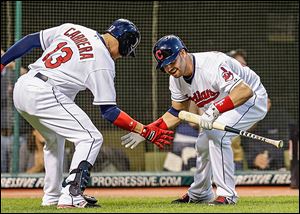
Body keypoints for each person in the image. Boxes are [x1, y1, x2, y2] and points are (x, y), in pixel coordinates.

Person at [1, 19, 173, 208]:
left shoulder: (74, 29)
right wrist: (144, 130)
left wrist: (2, 63)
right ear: (124, 42)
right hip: (44, 94)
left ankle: (52, 196)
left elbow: (30, 40)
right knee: (91, 138)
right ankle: (72, 193)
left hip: (23, 87)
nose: (123, 56)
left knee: (54, 140)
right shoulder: (103, 61)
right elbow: (109, 112)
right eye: (126, 51)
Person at [122, 35, 268, 205]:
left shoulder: (211, 65)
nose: (169, 68)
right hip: (224, 105)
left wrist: (215, 109)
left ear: (183, 53)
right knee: (202, 144)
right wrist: (147, 131)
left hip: (252, 99)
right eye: (164, 65)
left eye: (171, 61)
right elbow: (177, 112)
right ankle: (200, 193)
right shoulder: (176, 79)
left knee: (217, 135)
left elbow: (244, 91)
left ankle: (227, 194)